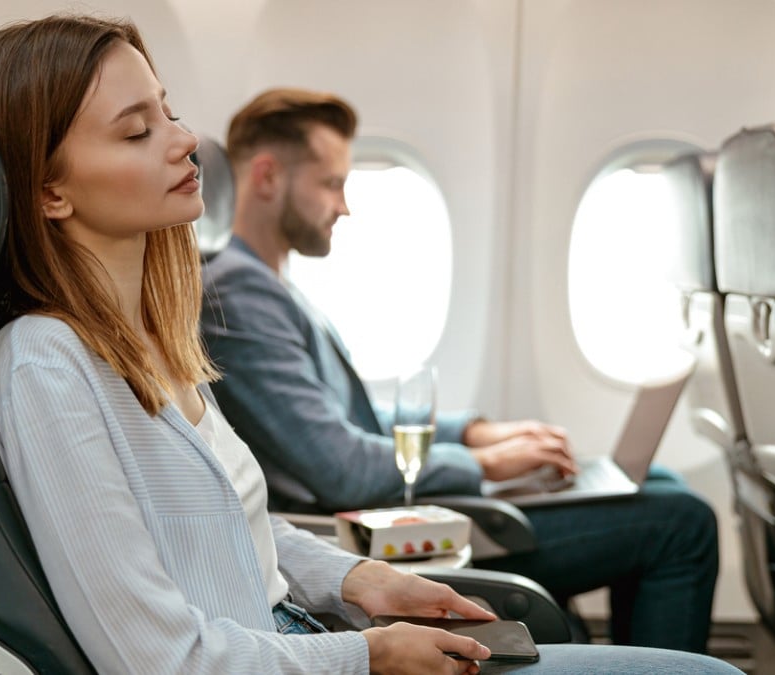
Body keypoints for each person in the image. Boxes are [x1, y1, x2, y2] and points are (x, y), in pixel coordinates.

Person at [0, 14, 740, 675]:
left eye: (166, 111)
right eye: (137, 130)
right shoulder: (45, 367)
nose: (184, 138)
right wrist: (367, 653)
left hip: (306, 636)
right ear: (48, 191)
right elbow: (159, 658)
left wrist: (363, 578)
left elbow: (241, 533)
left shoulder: (148, 341)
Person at [200, 88, 721, 653]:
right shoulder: (238, 291)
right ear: (268, 177)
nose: (345, 205)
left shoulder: (273, 287)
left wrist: (475, 430)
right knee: (682, 524)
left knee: (661, 483)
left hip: (391, 507)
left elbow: (363, 420)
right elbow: (341, 467)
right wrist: (484, 463)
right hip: (365, 531)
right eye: (331, 184)